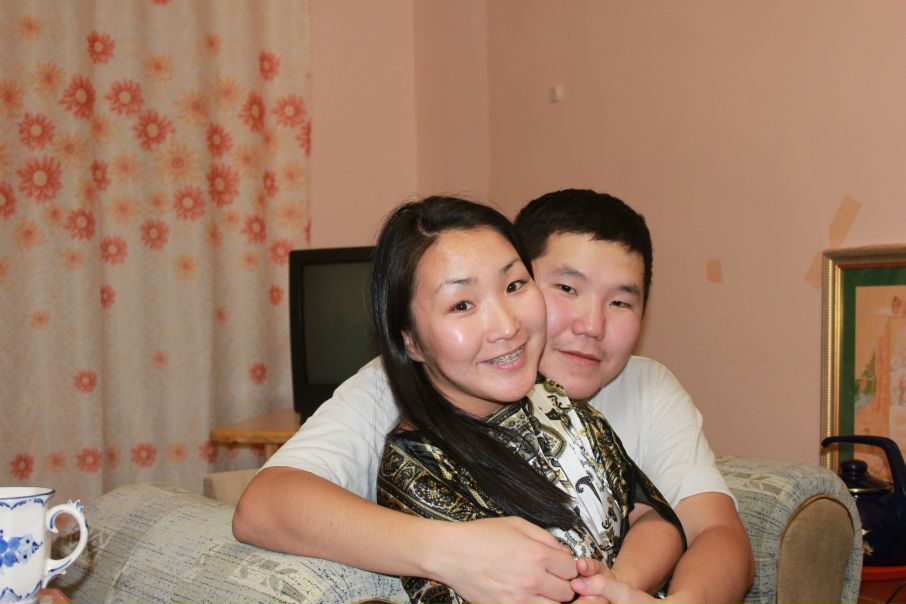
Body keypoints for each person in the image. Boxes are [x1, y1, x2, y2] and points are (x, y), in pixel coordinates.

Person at [234, 189, 755, 603]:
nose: (591, 325)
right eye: (567, 289)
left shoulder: (582, 403)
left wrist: (621, 588)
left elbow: (699, 528)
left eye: (620, 301)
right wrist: (449, 551)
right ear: (410, 341)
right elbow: (263, 505)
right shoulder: (399, 395)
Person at [368, 196, 684, 603]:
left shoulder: (556, 403)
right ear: (410, 340)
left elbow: (653, 518)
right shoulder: (419, 466)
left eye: (514, 286)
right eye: (462, 304)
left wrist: (615, 585)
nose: (507, 326)